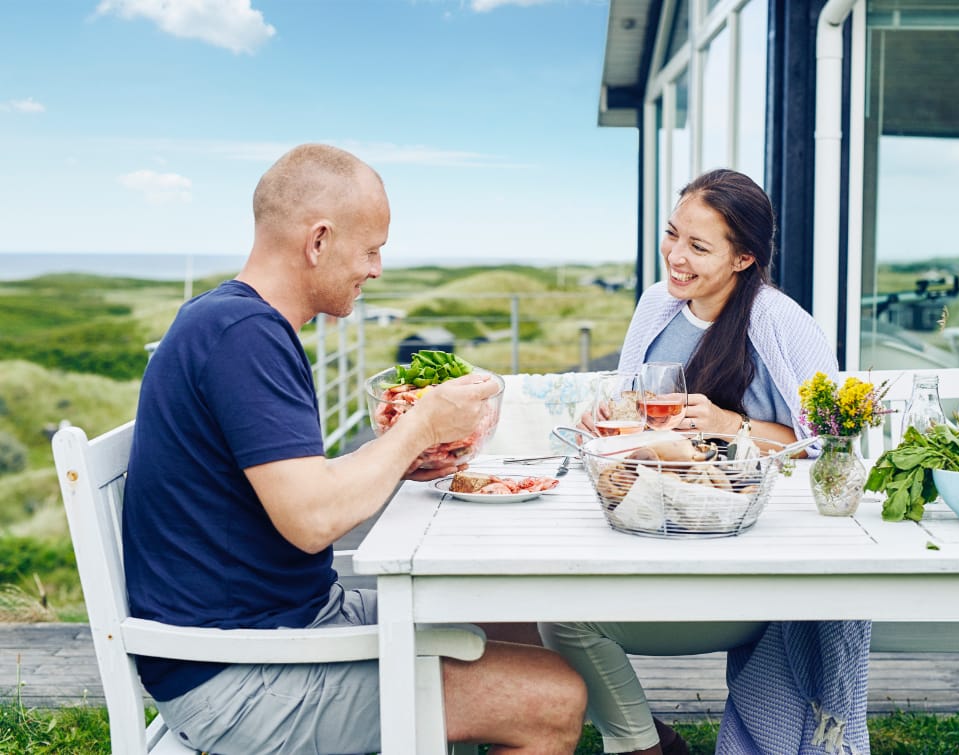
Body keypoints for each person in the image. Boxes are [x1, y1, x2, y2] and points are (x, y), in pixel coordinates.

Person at [121, 143, 587, 754]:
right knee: (553, 698)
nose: (377, 270)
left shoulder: (233, 322)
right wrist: (418, 426)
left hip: (285, 622)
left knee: (506, 621)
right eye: (371, 250)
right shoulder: (245, 337)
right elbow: (312, 520)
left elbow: (292, 488)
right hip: (236, 673)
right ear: (318, 241)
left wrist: (402, 462)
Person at [540, 169, 870, 755]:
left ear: (743, 258)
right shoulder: (656, 307)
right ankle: (652, 744)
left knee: (565, 620)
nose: (675, 257)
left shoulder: (779, 322)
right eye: (673, 236)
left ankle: (645, 748)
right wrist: (609, 423)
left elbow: (827, 445)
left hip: (755, 572)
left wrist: (730, 426)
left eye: (698, 246)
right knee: (539, 605)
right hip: (661, 532)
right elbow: (635, 413)